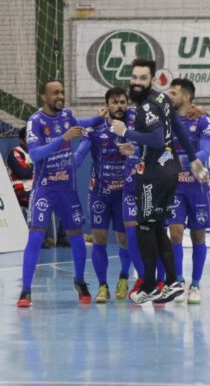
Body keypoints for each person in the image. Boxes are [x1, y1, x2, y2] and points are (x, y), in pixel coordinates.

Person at [110, 59, 208, 304]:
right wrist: (193, 159)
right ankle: (173, 282)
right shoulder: (163, 99)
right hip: (169, 172)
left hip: (153, 175)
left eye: (143, 78)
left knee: (145, 229)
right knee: (155, 227)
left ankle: (150, 286)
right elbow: (179, 129)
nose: (137, 82)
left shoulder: (147, 107)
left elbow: (155, 139)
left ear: (152, 80)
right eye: (134, 77)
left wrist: (125, 132)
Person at [16, 80, 105, 307]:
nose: (61, 96)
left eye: (62, 92)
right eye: (55, 93)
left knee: (77, 238)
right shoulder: (35, 121)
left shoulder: (67, 116)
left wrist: (98, 118)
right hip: (45, 188)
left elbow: (81, 124)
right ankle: (25, 291)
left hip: (67, 189)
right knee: (35, 237)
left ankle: (80, 281)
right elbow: (35, 154)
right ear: (44, 97)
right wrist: (63, 138)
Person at [73, 87, 132, 303]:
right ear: (106, 106)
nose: (119, 106)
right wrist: (69, 164)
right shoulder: (96, 129)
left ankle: (124, 277)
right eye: (115, 102)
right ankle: (102, 286)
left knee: (125, 239)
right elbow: (80, 152)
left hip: (124, 194)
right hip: (99, 194)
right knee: (99, 239)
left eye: (123, 102)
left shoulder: (133, 128)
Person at [167, 78, 210, 304]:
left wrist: (182, 161)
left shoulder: (203, 120)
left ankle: (195, 285)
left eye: (174, 93)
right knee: (175, 232)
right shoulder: (167, 120)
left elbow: (205, 152)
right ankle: (178, 282)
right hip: (174, 186)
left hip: (197, 187)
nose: (169, 96)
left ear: (186, 97)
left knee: (198, 235)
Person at [7, 126, 33, 217]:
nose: (32, 140)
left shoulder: (38, 152)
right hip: (21, 192)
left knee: (62, 198)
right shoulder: (16, 152)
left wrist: (32, 167)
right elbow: (23, 173)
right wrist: (39, 168)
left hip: (37, 189)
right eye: (28, 137)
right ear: (21, 140)